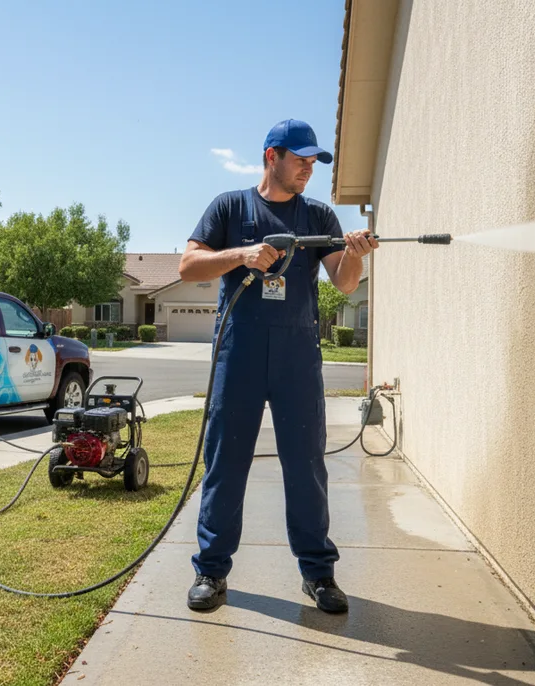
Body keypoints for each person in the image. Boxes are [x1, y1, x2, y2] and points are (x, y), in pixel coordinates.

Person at [177, 119, 378, 613]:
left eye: (315, 160)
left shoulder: (319, 216)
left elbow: (345, 283)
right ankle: (211, 571)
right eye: (301, 158)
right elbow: (188, 266)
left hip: (296, 358)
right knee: (226, 463)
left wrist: (355, 256)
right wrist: (242, 254)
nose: (310, 167)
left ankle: (319, 575)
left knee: (306, 465)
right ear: (272, 156)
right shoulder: (230, 207)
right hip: (238, 353)